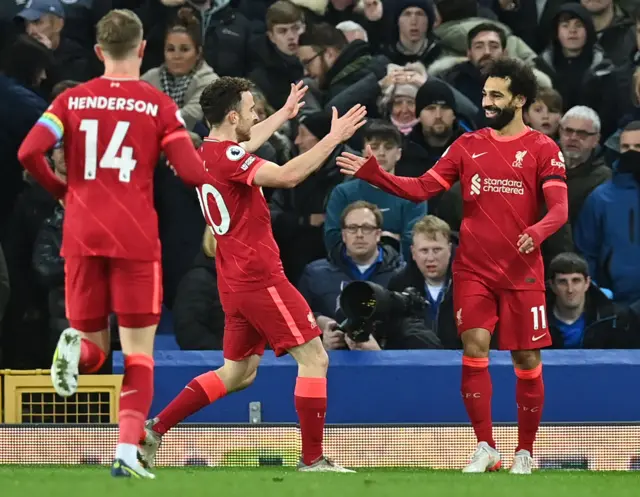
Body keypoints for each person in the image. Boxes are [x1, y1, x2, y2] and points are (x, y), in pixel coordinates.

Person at [337, 57, 569, 474]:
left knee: (525, 361)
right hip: (474, 268)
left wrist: (536, 233)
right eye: (484, 94)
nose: (487, 102)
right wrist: (375, 175)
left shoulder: (543, 149)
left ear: (519, 99)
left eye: (496, 95)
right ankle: (486, 447)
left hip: (522, 271)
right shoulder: (467, 145)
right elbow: (424, 186)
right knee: (473, 349)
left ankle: (526, 451)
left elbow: (560, 209)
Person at [137, 76, 367, 473]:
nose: (255, 114)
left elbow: (246, 143)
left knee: (238, 373)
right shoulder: (229, 158)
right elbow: (288, 176)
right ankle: (313, 460)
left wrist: (283, 113)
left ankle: (155, 429)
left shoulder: (206, 152)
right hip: (260, 276)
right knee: (314, 358)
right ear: (231, 115)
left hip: (232, 277)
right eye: (250, 109)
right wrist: (332, 139)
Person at [17, 9, 207, 479]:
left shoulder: (72, 102)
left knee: (95, 351)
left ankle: (71, 351)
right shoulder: (158, 104)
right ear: (142, 50)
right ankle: (126, 448)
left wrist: (63, 190)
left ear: (99, 51)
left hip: (81, 233)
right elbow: (190, 173)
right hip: (135, 238)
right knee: (138, 352)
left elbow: (28, 151)